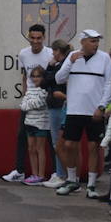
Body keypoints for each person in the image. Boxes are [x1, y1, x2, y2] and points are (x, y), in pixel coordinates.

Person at [54, 28, 111, 198]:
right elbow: (59, 78)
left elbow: (109, 84)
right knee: (69, 145)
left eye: (97, 41)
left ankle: (92, 186)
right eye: (93, 41)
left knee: (94, 147)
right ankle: (73, 181)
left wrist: (101, 107)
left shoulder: (104, 58)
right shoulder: (72, 57)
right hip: (74, 109)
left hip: (94, 110)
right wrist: (70, 62)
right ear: (83, 42)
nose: (96, 44)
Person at [3, 24, 54, 183]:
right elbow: (24, 76)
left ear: (44, 38)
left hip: (47, 100)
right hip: (29, 100)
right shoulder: (23, 54)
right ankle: (19, 171)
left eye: (39, 38)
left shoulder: (50, 53)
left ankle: (55, 173)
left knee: (51, 138)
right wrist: (26, 95)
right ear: (28, 37)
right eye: (32, 38)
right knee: (22, 136)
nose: (35, 41)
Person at [40, 40, 71, 188]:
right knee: (57, 142)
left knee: (58, 142)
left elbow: (50, 79)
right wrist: (49, 66)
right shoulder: (56, 65)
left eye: (54, 51)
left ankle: (62, 175)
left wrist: (51, 70)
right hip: (54, 105)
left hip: (60, 106)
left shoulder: (65, 65)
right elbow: (43, 83)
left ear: (59, 51)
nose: (52, 54)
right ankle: (61, 174)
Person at [19, 65, 51, 184]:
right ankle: (34, 174)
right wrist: (28, 105)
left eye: (38, 76)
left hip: (41, 123)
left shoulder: (45, 90)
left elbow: (40, 103)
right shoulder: (29, 90)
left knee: (40, 149)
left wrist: (27, 105)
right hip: (29, 123)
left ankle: (41, 175)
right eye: (33, 76)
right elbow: (23, 104)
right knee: (31, 148)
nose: (36, 78)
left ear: (43, 77)